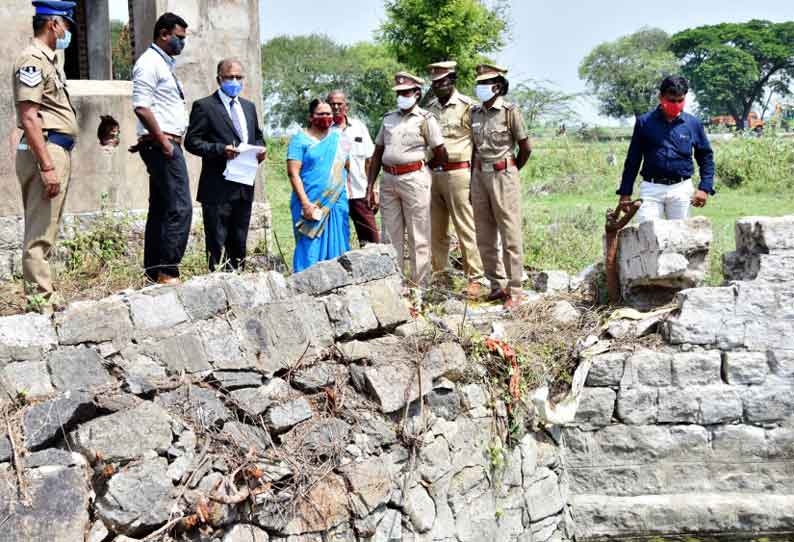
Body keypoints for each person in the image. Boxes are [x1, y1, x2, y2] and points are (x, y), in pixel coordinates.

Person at [13, 0, 79, 312]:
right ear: (53, 24)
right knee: (39, 232)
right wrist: (47, 165)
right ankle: (40, 302)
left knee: (47, 229)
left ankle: (45, 294)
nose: (68, 32)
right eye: (66, 24)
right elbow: (29, 117)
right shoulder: (32, 60)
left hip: (56, 148)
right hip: (47, 149)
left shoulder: (49, 61)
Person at [185, 58, 266, 271]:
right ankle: (216, 282)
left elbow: (257, 137)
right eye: (229, 77)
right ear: (219, 79)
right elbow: (192, 142)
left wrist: (260, 150)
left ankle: (238, 280)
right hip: (217, 188)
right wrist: (220, 150)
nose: (234, 81)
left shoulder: (248, 107)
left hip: (243, 185)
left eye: (239, 77)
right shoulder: (205, 106)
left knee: (239, 242)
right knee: (217, 243)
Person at [366, 72, 447, 287]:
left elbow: (440, 151)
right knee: (390, 236)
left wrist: (424, 167)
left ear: (417, 94)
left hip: (414, 178)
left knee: (418, 234)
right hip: (389, 179)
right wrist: (370, 185)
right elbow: (377, 153)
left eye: (406, 92)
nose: (402, 96)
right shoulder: (388, 118)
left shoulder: (425, 119)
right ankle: (395, 284)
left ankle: (421, 285)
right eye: (399, 93)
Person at [131, 12, 191, 285]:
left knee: (162, 207)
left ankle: (154, 271)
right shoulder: (149, 63)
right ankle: (168, 270)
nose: (182, 43)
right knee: (180, 207)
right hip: (164, 144)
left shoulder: (165, 64)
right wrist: (163, 141)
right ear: (164, 34)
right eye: (179, 38)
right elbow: (142, 106)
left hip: (162, 142)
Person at [470, 64, 532, 310]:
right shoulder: (474, 113)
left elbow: (525, 147)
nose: (480, 88)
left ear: (497, 86)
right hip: (479, 175)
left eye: (484, 84)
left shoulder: (509, 111)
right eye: (479, 84)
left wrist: (512, 169)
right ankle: (496, 285)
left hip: (503, 174)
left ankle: (515, 289)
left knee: (510, 233)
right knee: (484, 234)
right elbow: (474, 148)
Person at [617, 75, 715, 223]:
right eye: (671, 100)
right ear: (661, 97)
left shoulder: (693, 124)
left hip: (681, 190)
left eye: (680, 100)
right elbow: (633, 159)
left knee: (681, 238)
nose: (676, 104)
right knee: (646, 234)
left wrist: (704, 188)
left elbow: (705, 157)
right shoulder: (644, 123)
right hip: (651, 189)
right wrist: (625, 192)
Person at [425, 61, 485, 299]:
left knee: (465, 226)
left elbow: (478, 145)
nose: (439, 86)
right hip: (433, 173)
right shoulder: (430, 109)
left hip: (459, 173)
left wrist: (476, 178)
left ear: (452, 80)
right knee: (436, 230)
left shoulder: (468, 106)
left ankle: (476, 278)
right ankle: (441, 276)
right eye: (435, 83)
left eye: (443, 81)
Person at [287, 98, 351, 272]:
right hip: (310, 202)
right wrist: (306, 204)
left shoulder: (340, 139)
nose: (326, 117)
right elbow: (293, 173)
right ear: (311, 117)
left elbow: (345, 168)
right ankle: (305, 289)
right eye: (320, 114)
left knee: (339, 245)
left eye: (329, 114)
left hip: (336, 201)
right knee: (309, 248)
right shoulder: (299, 140)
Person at [327, 90, 379, 246]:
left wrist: (373, 189)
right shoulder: (324, 130)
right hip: (333, 194)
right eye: (332, 104)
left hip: (359, 191)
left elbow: (370, 159)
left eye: (339, 104)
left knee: (370, 238)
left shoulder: (358, 127)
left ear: (346, 106)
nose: (336, 107)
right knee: (337, 238)